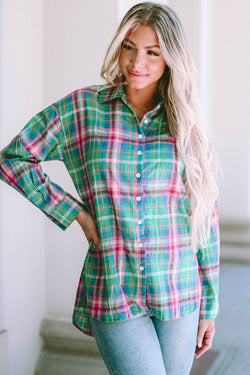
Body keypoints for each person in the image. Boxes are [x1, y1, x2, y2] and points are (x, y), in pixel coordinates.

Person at [0, 2, 220, 375]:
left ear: (171, 60)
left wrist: (210, 306)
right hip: (115, 286)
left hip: (180, 289)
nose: (138, 62)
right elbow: (14, 158)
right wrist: (79, 215)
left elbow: (204, 217)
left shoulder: (186, 124)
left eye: (153, 52)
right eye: (129, 46)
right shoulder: (84, 109)